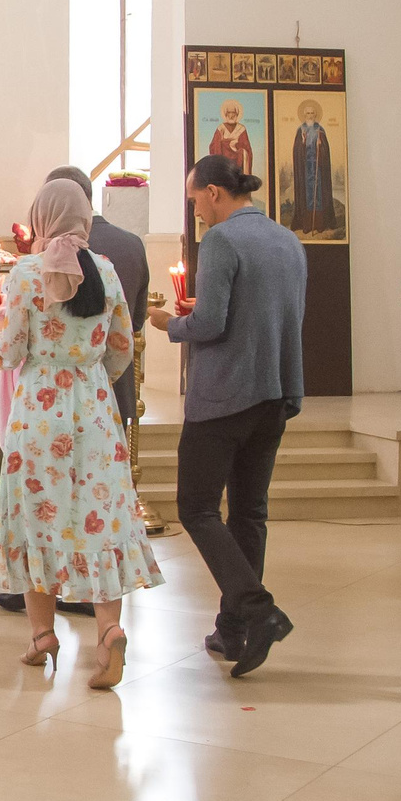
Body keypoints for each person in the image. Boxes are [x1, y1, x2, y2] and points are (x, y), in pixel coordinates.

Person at [0, 178, 161, 685]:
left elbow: (11, 351)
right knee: (100, 517)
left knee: (35, 516)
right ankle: (109, 630)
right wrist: (88, 378)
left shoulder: (25, 273)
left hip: (38, 414)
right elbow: (123, 347)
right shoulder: (106, 271)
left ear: (42, 217)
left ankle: (42, 636)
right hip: (93, 411)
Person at [147, 153, 303, 675]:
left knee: (195, 507)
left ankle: (259, 612)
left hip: (223, 398)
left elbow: (211, 323)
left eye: (195, 200)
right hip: (274, 393)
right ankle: (233, 629)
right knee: (249, 512)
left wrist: (170, 324)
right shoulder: (287, 239)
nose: (197, 213)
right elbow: (274, 317)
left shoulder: (222, 240)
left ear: (214, 191)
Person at [285, 98, 338, 236]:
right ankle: (307, 224)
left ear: (315, 115)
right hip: (305, 170)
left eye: (312, 113)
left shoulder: (320, 130)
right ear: (304, 115)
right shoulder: (300, 130)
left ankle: (319, 224)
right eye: (307, 113)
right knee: (306, 196)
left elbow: (326, 151)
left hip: (318, 171)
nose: (310, 116)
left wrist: (321, 147)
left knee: (319, 195)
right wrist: (302, 143)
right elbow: (296, 150)